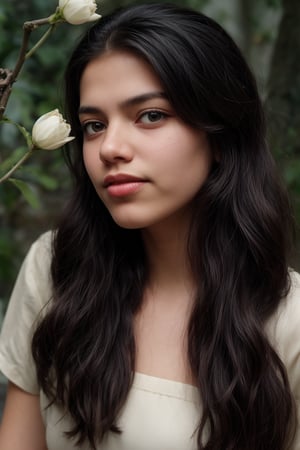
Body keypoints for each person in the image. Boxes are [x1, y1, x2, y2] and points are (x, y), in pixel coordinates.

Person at [0, 3, 299, 449]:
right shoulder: (56, 268)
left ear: (219, 133)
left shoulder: (289, 322)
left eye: (151, 115)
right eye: (94, 125)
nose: (110, 148)